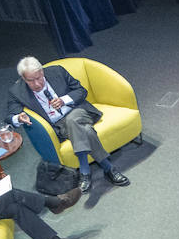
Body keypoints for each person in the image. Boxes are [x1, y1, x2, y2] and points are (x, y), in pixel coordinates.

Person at [7, 56, 129, 193]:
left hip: (78, 112)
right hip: (57, 126)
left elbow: (81, 91)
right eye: (31, 80)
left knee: (72, 120)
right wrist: (19, 117)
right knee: (86, 131)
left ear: (42, 72)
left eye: (39, 77)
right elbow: (10, 116)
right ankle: (108, 168)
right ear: (23, 78)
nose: (37, 84)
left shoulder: (57, 72)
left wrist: (64, 100)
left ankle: (85, 172)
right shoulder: (16, 91)